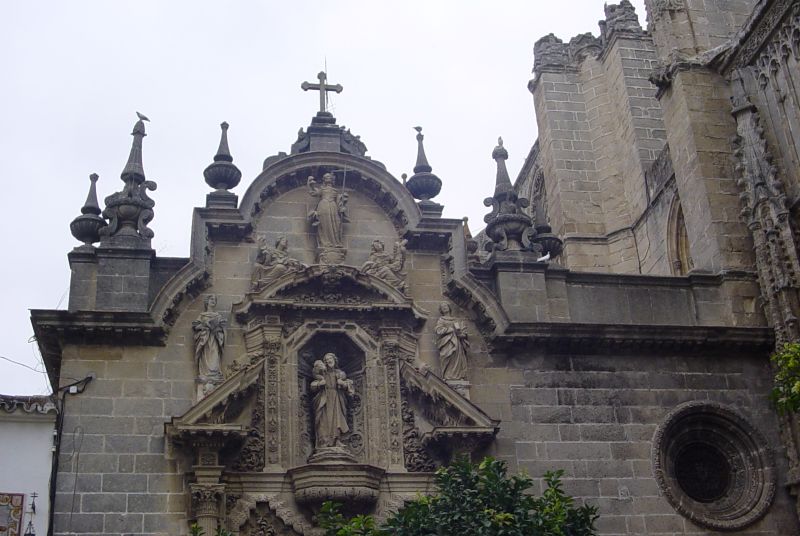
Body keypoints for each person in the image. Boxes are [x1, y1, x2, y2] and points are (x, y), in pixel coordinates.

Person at [310, 352, 354, 449]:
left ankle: (337, 440)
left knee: (337, 419)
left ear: (334, 360)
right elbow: (313, 386)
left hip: (336, 398)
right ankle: (324, 442)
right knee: (324, 419)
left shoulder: (339, 373)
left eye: (330, 359)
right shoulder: (322, 374)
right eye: (326, 360)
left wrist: (343, 384)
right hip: (325, 399)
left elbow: (349, 386)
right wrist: (319, 384)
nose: (328, 361)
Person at [308, 173, 349, 249]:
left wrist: (343, 202)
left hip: (333, 207)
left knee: (337, 223)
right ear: (324, 180)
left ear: (332, 179)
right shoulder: (322, 189)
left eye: (329, 177)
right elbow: (313, 193)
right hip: (323, 206)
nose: (328, 178)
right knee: (324, 224)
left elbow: (338, 202)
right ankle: (325, 242)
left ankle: (336, 242)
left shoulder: (335, 191)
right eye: (326, 177)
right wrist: (311, 184)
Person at [192, 295, 226, 383]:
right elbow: (196, 326)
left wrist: (217, 329)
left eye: (215, 300)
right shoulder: (202, 315)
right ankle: (205, 374)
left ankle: (214, 374)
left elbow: (222, 330)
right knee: (205, 355)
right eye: (211, 299)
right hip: (205, 339)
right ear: (207, 301)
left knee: (214, 356)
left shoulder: (218, 316)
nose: (213, 301)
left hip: (214, 339)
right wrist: (205, 325)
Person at [435, 302, 470, 380]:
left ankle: (458, 376)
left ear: (449, 307)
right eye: (442, 307)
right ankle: (448, 375)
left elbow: (464, 332)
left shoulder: (456, 320)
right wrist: (450, 329)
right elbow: (438, 330)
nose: (444, 307)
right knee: (447, 356)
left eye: (445, 306)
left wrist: (460, 333)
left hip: (457, 343)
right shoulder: (441, 320)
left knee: (457, 359)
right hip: (447, 342)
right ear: (441, 310)